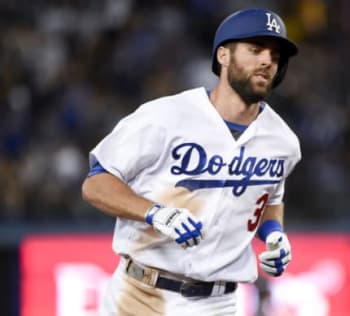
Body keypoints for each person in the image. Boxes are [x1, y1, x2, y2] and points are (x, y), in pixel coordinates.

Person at [81, 7, 301, 316]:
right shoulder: (164, 116)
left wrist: (274, 234)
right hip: (139, 295)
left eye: (275, 56)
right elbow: (95, 184)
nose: (267, 61)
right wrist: (155, 213)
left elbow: (268, 199)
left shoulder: (283, 142)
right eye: (255, 50)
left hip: (218, 303)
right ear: (223, 56)